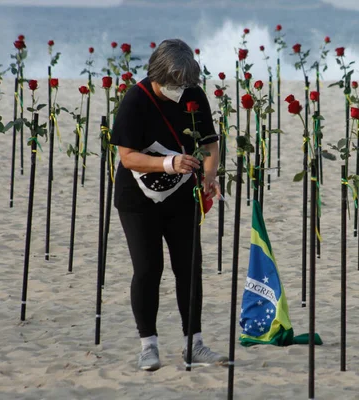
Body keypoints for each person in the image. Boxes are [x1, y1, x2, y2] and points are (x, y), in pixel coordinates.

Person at [110, 38, 226, 371]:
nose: (180, 90)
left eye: (186, 83)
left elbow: (209, 142)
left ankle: (195, 344)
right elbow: (127, 157)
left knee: (189, 267)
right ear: (157, 75)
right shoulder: (135, 100)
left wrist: (209, 174)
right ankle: (148, 345)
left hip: (181, 196)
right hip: (137, 200)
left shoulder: (193, 95)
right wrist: (168, 164)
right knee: (148, 269)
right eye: (174, 84)